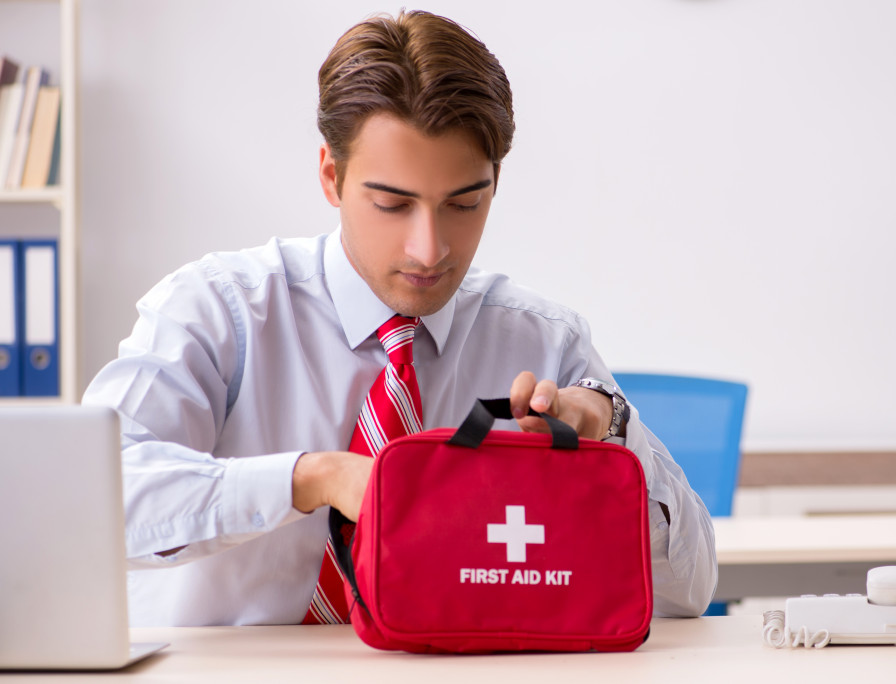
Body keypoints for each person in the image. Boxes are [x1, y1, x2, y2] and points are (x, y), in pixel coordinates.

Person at [83, 9, 717, 627]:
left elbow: (688, 591)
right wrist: (310, 477)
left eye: (464, 203)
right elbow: (88, 503)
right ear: (332, 175)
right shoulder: (219, 311)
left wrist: (610, 426)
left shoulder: (541, 340)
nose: (430, 249)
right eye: (392, 203)